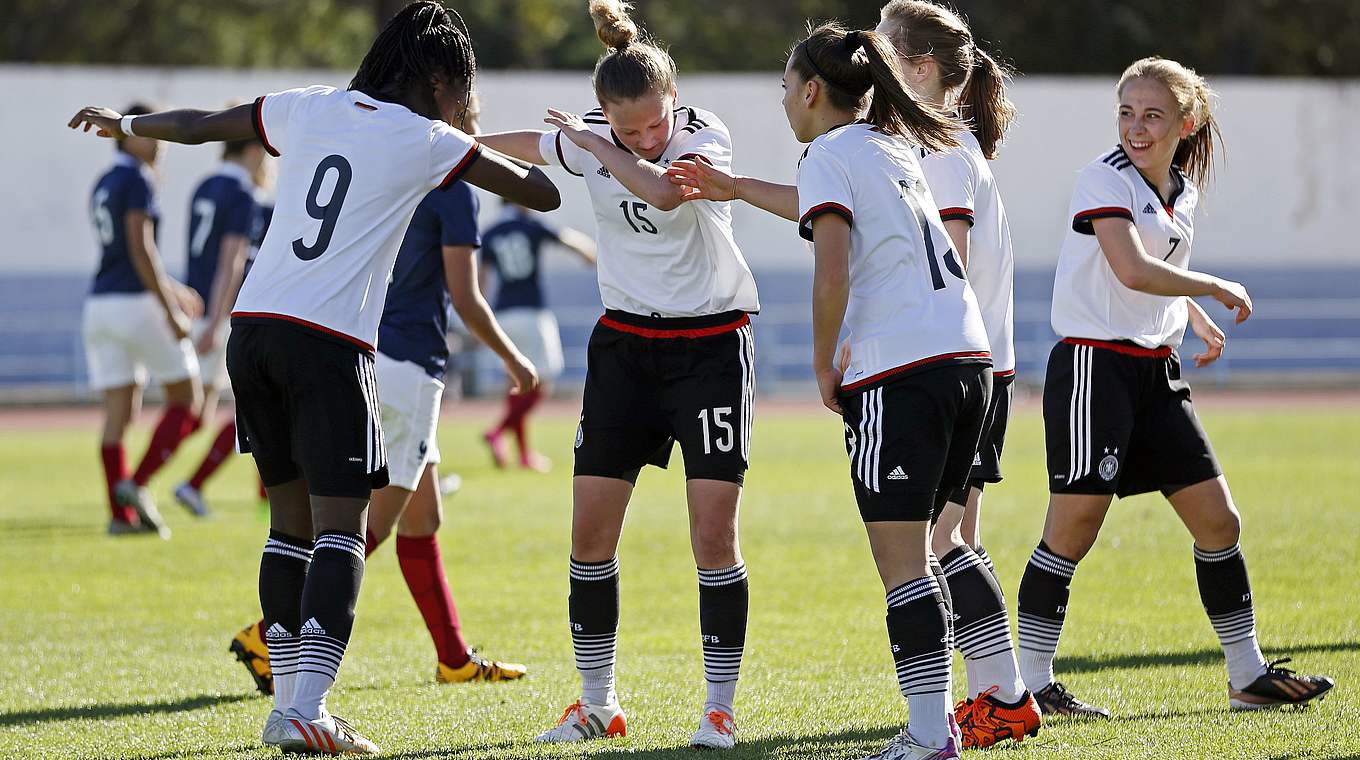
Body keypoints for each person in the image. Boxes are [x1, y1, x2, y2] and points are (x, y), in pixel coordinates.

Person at [68, 2, 560, 755]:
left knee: (288, 529)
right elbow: (541, 193)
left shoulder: (308, 106)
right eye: (462, 86)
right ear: (437, 79)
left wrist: (128, 128)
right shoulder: (428, 138)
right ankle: (308, 708)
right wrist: (508, 139)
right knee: (340, 531)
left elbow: (202, 125)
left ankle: (290, 708)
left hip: (254, 330)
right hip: (328, 344)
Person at [668, 20, 992, 760]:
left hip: (901, 371)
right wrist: (737, 188)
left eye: (785, 87)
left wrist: (823, 363)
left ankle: (929, 732)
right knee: (934, 548)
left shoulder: (826, 154)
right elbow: (829, 209)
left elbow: (833, 265)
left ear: (812, 90)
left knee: (904, 563)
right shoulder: (886, 144)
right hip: (965, 360)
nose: (783, 100)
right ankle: (955, 713)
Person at [1013, 56, 1334, 717]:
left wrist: (1194, 318)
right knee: (1073, 528)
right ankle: (1029, 685)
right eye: (1126, 112)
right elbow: (1130, 269)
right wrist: (1213, 286)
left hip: (1155, 375)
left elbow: (1154, 270)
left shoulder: (1180, 190)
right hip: (1094, 369)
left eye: (1153, 115)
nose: (1136, 126)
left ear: (1185, 124)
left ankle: (1247, 675)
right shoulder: (1102, 178)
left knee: (1219, 521)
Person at [476, 0, 758, 748]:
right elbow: (534, 150)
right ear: (605, 112)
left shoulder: (705, 134)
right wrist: (454, 144)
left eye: (653, 126)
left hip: (710, 347)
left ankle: (719, 709)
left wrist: (598, 146)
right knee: (591, 534)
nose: (646, 139)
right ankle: (597, 702)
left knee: (712, 536)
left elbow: (665, 189)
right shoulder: (594, 137)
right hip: (624, 348)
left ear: (673, 102)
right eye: (627, 129)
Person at [230, 100, 531, 696]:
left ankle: (452, 657)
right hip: (408, 365)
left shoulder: (392, 163)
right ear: (458, 118)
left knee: (424, 516)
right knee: (363, 528)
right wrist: (513, 357)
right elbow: (465, 297)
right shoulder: (454, 184)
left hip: (369, 350)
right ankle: (271, 635)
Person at [875, 1, 1040, 748]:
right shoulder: (948, 140)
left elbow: (952, 262)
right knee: (955, 538)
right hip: (978, 367)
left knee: (940, 542)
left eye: (882, 43)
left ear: (918, 66)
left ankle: (1001, 697)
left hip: (957, 368)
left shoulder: (939, 151)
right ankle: (991, 697)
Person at [83, 101, 204, 539]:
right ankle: (136, 484)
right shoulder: (137, 178)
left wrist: (172, 289)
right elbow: (140, 248)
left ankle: (120, 515)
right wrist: (170, 308)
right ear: (129, 136)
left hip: (99, 306)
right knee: (188, 401)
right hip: (136, 304)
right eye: (149, 131)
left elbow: (124, 255)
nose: (158, 142)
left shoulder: (105, 180)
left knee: (117, 416)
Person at [173, 135, 267, 517]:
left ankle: (183, 485)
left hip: (199, 307)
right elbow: (231, 262)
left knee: (207, 414)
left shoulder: (204, 186)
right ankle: (179, 484)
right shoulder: (243, 194)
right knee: (256, 404)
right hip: (222, 312)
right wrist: (217, 318)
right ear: (250, 151)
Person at [480, 202, 597, 472]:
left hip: (503, 317)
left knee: (517, 386)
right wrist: (590, 254)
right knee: (542, 383)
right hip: (532, 314)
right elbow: (570, 240)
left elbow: (481, 280)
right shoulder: (532, 226)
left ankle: (523, 456)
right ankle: (498, 431)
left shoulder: (491, 232)